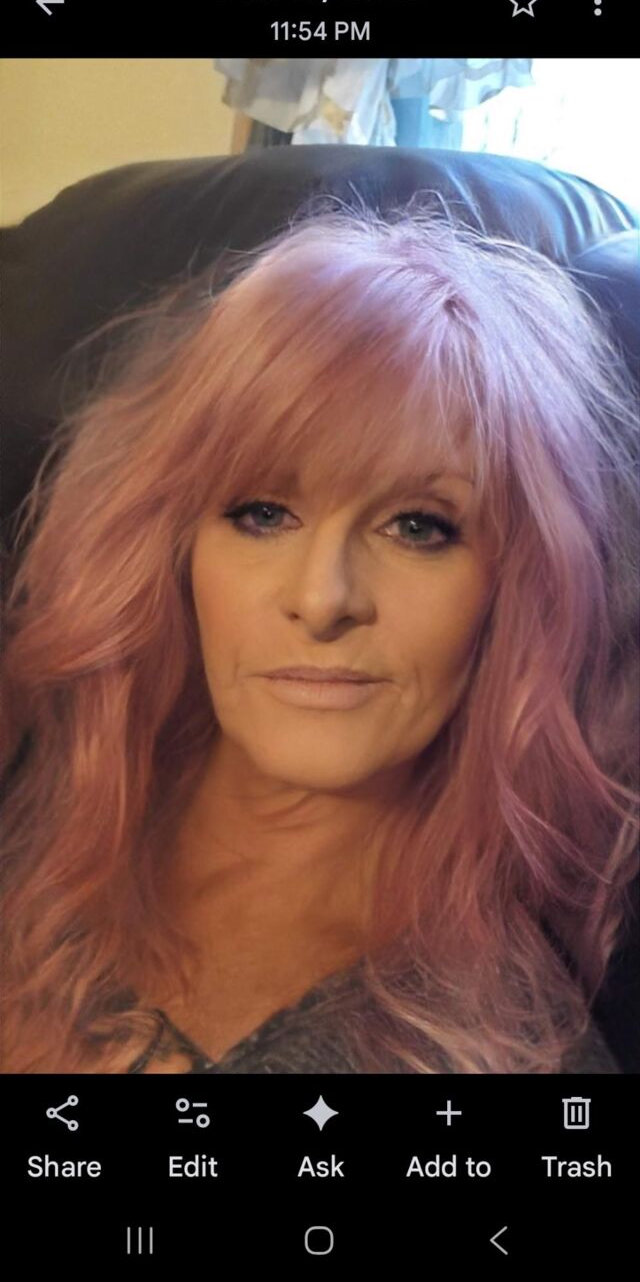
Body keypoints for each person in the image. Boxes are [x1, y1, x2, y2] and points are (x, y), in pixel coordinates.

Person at [1, 197, 638, 1075]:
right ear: (174, 548)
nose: (322, 599)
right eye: (263, 513)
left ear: (516, 592)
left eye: (418, 527)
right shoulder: (36, 779)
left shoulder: (505, 1054)